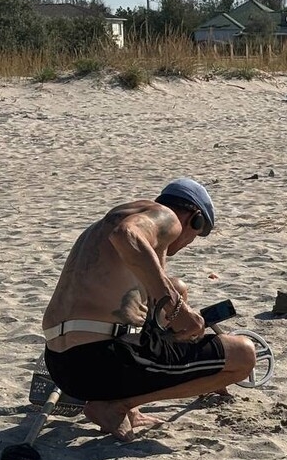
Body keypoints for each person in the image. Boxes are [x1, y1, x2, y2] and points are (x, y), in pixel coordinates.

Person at [42, 178, 256, 442]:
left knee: (178, 287)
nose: (188, 243)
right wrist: (176, 307)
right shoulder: (167, 217)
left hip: (59, 364)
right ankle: (116, 406)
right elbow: (125, 235)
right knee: (244, 355)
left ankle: (126, 403)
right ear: (195, 219)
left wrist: (200, 365)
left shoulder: (101, 225)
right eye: (196, 235)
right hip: (103, 361)